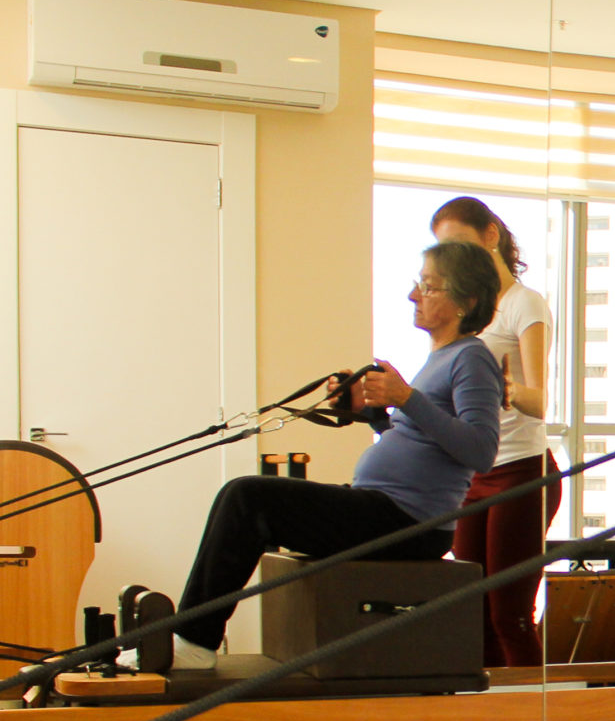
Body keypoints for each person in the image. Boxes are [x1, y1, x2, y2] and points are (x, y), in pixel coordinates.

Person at [169, 241, 504, 670]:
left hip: (409, 521)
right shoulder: (440, 358)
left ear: (466, 301)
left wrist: (405, 398)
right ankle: (189, 634)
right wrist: (372, 415)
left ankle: (194, 642)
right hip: (384, 507)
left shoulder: (472, 358)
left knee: (247, 498)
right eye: (417, 284)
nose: (413, 295)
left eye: (428, 286)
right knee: (237, 496)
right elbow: (424, 442)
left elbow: (481, 451)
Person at [426, 197, 560, 721]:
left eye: (464, 243)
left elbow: (540, 401)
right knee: (476, 613)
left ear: (493, 235)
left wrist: (504, 387)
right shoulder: (472, 312)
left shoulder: (523, 304)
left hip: (521, 472)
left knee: (510, 612)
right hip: (475, 475)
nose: (457, 259)